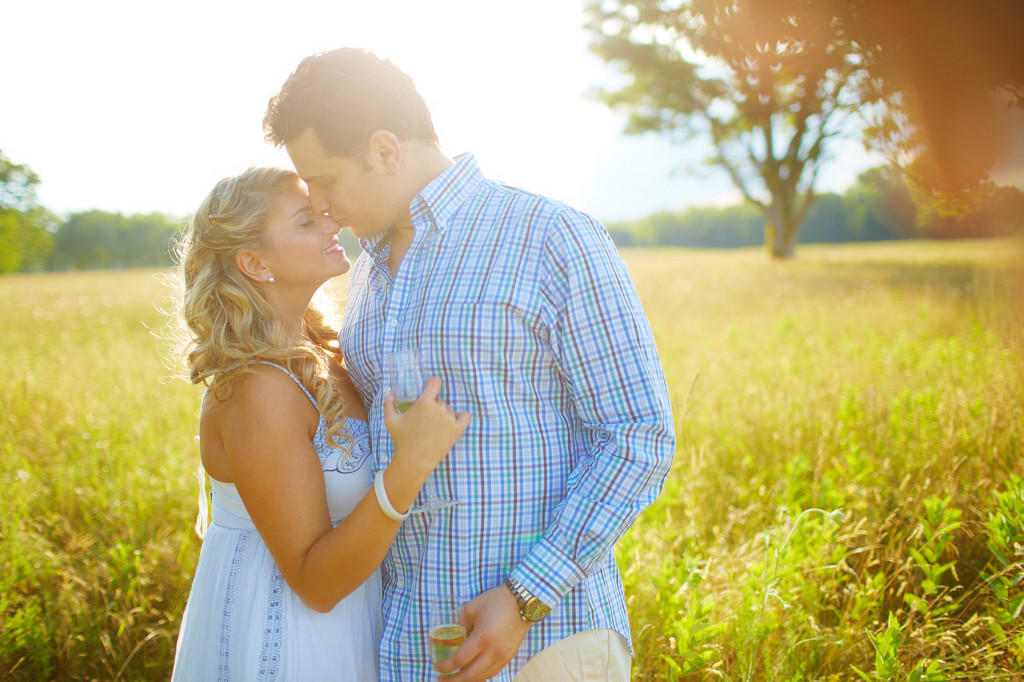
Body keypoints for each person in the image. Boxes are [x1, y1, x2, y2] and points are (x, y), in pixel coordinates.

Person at [264, 47, 676, 682]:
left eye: (325, 180)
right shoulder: (369, 270)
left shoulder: (550, 235)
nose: (319, 204)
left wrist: (523, 597)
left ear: (384, 150)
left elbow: (639, 435)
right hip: (412, 646)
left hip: (547, 643)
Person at [166, 166, 470, 680]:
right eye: (307, 220)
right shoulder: (257, 389)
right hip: (290, 636)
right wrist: (411, 464)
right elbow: (315, 583)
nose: (332, 222)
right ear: (254, 263)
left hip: (357, 621)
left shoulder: (325, 356)